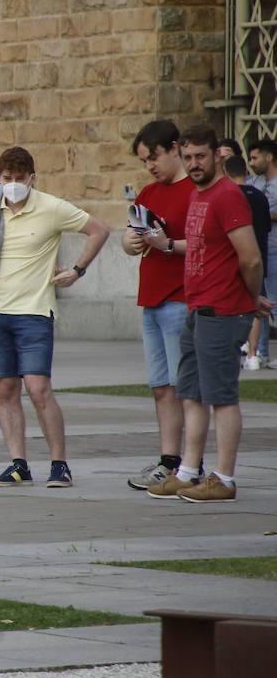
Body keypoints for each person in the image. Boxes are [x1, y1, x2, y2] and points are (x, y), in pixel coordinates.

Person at [0, 146, 110, 488]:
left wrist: (77, 270)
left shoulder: (51, 207)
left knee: (39, 388)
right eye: (7, 179)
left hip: (34, 312)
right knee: (6, 390)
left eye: (20, 179)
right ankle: (18, 464)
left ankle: (59, 464)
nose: (13, 185)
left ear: (33, 178)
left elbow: (99, 230)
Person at [147, 127, 273, 503]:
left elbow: (249, 256)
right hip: (197, 306)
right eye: (188, 158)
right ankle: (187, 472)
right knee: (191, 391)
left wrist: (251, 297)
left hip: (223, 308)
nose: (194, 164)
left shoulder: (228, 196)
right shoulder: (199, 195)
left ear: (218, 155)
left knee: (221, 395)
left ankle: (224, 477)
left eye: (200, 156)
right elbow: (201, 246)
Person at [118, 122, 194, 490]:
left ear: (173, 148)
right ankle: (169, 459)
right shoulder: (149, 191)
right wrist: (129, 243)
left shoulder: (194, 190)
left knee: (183, 386)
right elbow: (132, 232)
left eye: (153, 157)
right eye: (145, 160)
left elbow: (200, 244)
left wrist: (166, 244)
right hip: (151, 296)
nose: (149, 165)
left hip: (180, 297)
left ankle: (190, 464)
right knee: (160, 385)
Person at [227, 155, 274, 372]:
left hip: (233, 257)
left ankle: (236, 350)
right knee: (255, 303)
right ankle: (254, 353)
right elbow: (265, 227)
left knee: (232, 306)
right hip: (259, 255)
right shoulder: (258, 196)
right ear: (245, 170)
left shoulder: (227, 195)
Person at [241, 140, 277, 368]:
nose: (252, 163)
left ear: (269, 157)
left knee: (275, 301)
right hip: (261, 250)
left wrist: (260, 214)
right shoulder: (257, 183)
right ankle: (259, 351)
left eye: (255, 158)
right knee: (259, 303)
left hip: (274, 250)